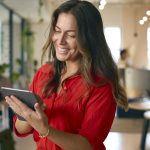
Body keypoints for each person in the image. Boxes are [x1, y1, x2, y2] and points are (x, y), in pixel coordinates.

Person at [5, 0, 128, 150]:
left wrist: (45, 129)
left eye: (71, 35)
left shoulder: (101, 85)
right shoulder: (44, 73)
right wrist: (26, 114)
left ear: (89, 39)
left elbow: (88, 145)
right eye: (57, 30)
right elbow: (21, 129)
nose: (60, 40)